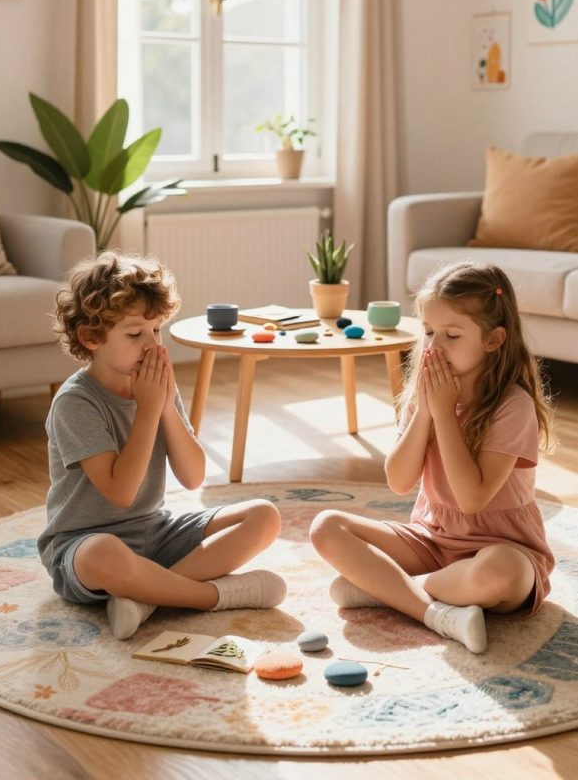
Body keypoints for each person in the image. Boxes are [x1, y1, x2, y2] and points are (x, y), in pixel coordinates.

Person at [310, 261, 556, 654]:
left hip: (502, 547)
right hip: (433, 539)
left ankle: (389, 589)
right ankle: (433, 611)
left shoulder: (512, 406)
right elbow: (399, 481)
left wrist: (444, 415)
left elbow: (471, 499)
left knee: (501, 575)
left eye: (452, 335)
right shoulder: (426, 397)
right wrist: (425, 410)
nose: (434, 347)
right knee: (326, 526)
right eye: (428, 333)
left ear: (493, 340)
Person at [38, 251, 285, 640]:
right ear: (91, 338)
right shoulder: (75, 403)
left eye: (157, 331)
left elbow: (193, 477)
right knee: (106, 554)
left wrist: (165, 406)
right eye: (136, 334)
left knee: (264, 516)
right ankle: (212, 596)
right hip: (84, 546)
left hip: (155, 531)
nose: (152, 345)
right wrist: (149, 410)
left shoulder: (156, 387)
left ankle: (145, 597)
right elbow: (121, 493)